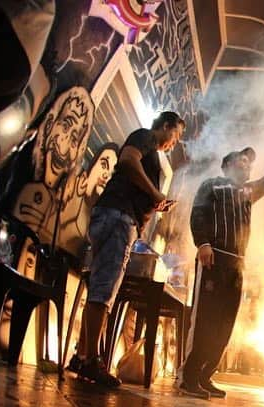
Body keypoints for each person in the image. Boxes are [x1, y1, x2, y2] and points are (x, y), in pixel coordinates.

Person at [179, 139, 264, 399]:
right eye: (242, 160)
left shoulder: (249, 191)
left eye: (250, 163)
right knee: (207, 319)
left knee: (226, 323)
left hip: (237, 263)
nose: (247, 165)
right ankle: (189, 377)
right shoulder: (212, 185)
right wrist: (203, 243)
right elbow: (198, 214)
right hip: (213, 259)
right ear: (227, 164)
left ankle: (206, 375)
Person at [66, 111, 184, 386]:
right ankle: (91, 361)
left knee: (98, 289)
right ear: (165, 126)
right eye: (175, 136)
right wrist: (155, 194)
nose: (173, 143)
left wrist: (153, 201)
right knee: (105, 290)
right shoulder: (145, 137)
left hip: (112, 216)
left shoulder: (151, 150)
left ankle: (82, 355)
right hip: (119, 218)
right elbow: (128, 160)